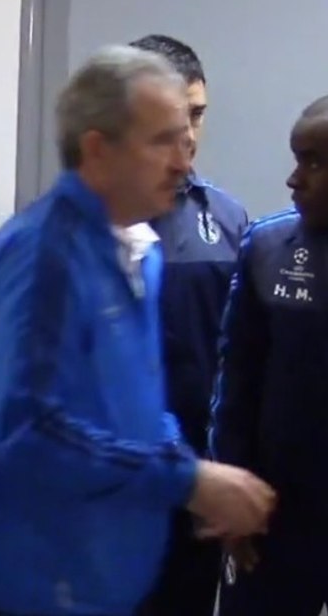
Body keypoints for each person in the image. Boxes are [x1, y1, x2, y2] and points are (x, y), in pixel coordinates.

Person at [0, 45, 277, 616]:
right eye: (161, 141)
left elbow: (140, 406)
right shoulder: (43, 255)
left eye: (188, 132)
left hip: (105, 576)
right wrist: (187, 477)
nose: (184, 158)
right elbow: (28, 431)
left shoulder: (134, 248)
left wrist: (188, 468)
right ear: (98, 150)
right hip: (37, 584)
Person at [211, 88, 328, 616]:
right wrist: (232, 498)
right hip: (275, 521)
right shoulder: (267, 249)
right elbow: (235, 387)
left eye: (315, 161)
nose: (294, 178)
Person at [129, 35, 249, 616]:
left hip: (198, 484)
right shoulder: (76, 228)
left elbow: (242, 359)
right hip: (113, 486)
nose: (189, 134)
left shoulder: (228, 220)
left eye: (197, 114)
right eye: (173, 117)